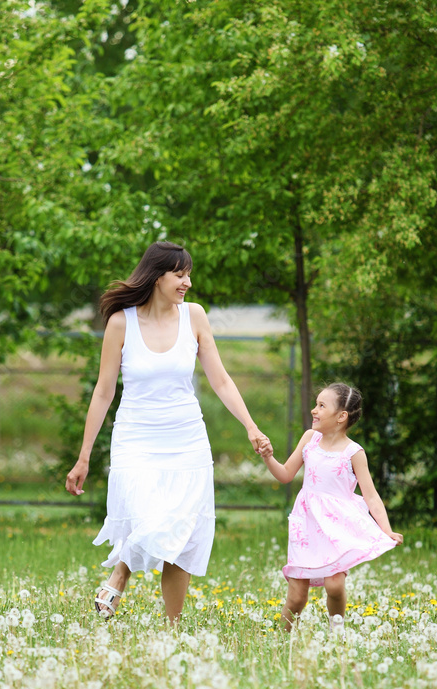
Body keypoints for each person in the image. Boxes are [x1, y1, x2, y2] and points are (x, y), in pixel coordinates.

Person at [65, 241, 270, 624]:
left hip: (187, 440)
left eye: (188, 274)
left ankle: (172, 628)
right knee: (148, 516)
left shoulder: (194, 317)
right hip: (136, 439)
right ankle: (120, 574)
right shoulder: (121, 323)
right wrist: (84, 456)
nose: (187, 282)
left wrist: (251, 426)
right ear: (157, 276)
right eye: (180, 274)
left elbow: (221, 380)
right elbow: (104, 391)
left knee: (184, 532)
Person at [258, 382, 403, 634]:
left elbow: (371, 496)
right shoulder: (309, 439)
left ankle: (337, 632)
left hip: (336, 527)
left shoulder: (353, 452)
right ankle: (280, 638)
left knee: (335, 586)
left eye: (321, 406)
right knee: (297, 597)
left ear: (341, 416)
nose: (314, 410)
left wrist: (386, 530)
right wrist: (268, 457)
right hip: (306, 524)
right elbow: (284, 475)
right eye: (316, 404)